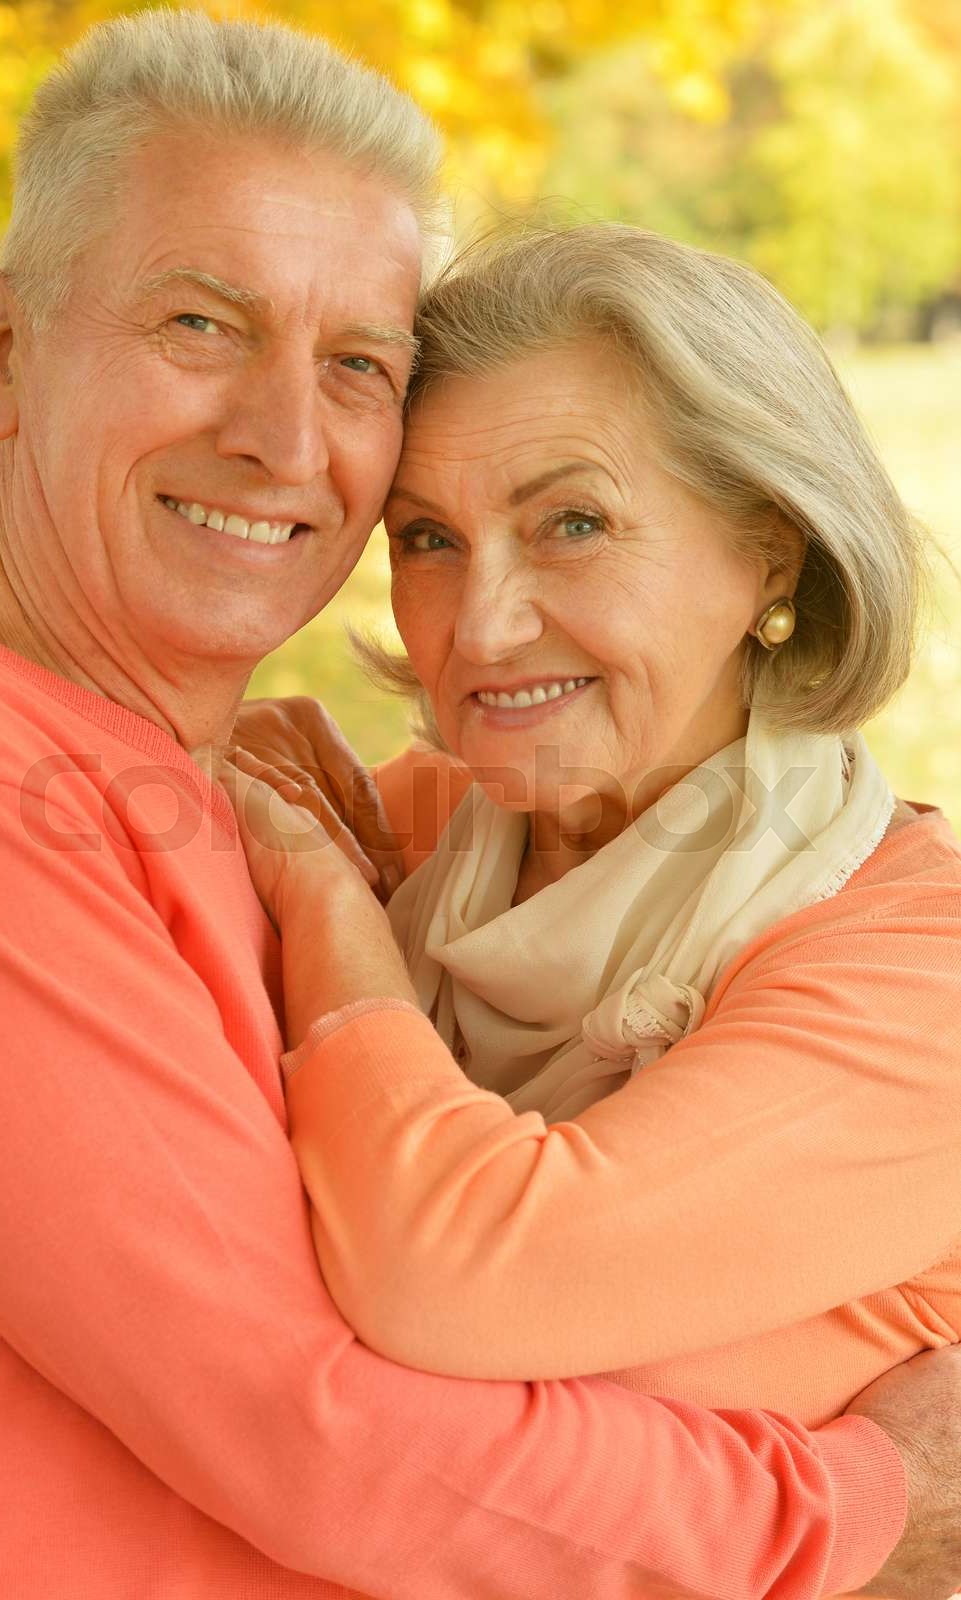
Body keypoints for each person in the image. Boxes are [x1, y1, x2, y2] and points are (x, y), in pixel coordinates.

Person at [0, 11, 958, 1599]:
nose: (282, 437)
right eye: (198, 322)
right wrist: (868, 1492)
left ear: (768, 559)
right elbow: (333, 1435)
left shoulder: (306, 817)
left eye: (356, 367)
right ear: (0, 354)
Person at [222, 221, 961, 1537]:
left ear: (770, 551)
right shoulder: (407, 828)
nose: (481, 625)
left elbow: (446, 1284)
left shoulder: (916, 972)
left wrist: (334, 920)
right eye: (427, 538)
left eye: (573, 522)